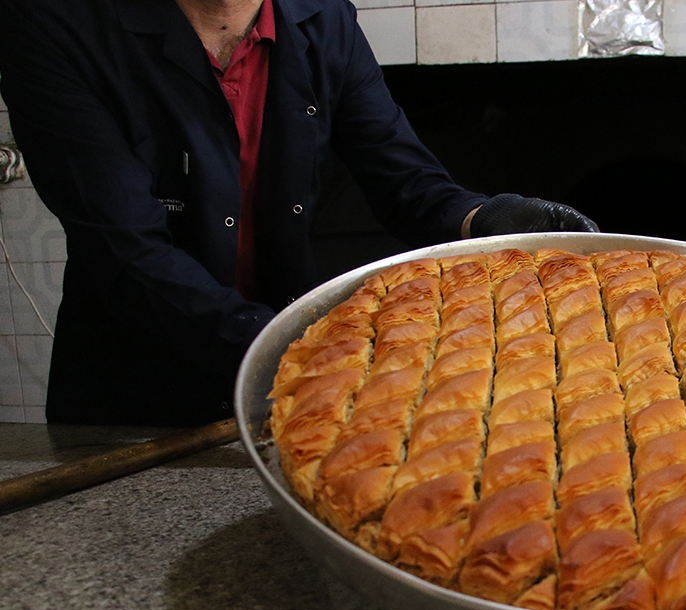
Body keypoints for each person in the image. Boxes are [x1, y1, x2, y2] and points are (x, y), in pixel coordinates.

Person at [0, 0, 596, 426]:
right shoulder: (54, 22)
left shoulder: (320, 15)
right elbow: (126, 253)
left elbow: (404, 178)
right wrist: (325, 352)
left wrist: (485, 218)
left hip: (292, 395)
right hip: (135, 399)